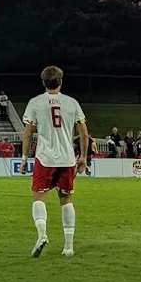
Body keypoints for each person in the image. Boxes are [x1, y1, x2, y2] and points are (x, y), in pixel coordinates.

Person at [21, 66, 88, 259]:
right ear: (61, 81)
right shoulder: (71, 103)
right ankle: (68, 246)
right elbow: (83, 132)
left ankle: (42, 235)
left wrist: (25, 158)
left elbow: (28, 133)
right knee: (66, 200)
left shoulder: (35, 102)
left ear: (43, 82)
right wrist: (83, 156)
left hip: (45, 158)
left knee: (38, 197)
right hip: (67, 158)